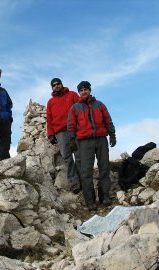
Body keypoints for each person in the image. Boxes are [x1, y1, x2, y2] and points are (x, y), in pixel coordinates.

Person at [67, 81, 116, 211]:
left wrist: (112, 134)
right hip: (84, 142)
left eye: (85, 89)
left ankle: (105, 196)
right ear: (79, 92)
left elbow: (108, 119)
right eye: (81, 90)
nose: (83, 92)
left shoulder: (99, 105)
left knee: (104, 167)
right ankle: (90, 201)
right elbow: (71, 125)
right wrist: (72, 139)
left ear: (90, 90)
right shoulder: (75, 108)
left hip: (101, 139)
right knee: (86, 172)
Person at [47, 78, 81, 194]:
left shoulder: (72, 95)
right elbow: (49, 119)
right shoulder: (50, 102)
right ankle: (74, 182)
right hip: (60, 132)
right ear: (52, 87)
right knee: (67, 157)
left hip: (75, 129)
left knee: (79, 155)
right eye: (54, 85)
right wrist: (51, 134)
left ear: (62, 84)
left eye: (58, 84)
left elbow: (81, 108)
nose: (56, 86)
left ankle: (83, 180)